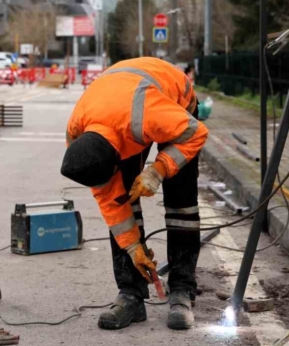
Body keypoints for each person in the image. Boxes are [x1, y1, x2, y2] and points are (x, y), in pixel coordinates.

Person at [60, 57, 208, 331]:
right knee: (123, 199)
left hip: (172, 104)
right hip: (116, 111)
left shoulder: (147, 115)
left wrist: (158, 170)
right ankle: (131, 294)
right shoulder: (79, 135)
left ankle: (182, 290)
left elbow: (196, 133)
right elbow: (110, 199)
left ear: (116, 158)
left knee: (181, 202)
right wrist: (132, 246)